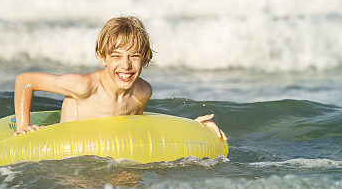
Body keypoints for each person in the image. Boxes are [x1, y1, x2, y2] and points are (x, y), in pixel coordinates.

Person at [13, 16, 227, 141]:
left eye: (134, 56)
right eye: (116, 56)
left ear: (145, 58)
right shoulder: (84, 87)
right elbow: (25, 81)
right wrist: (23, 125)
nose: (125, 65)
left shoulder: (142, 92)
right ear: (102, 57)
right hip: (72, 163)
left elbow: (141, 131)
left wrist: (193, 128)